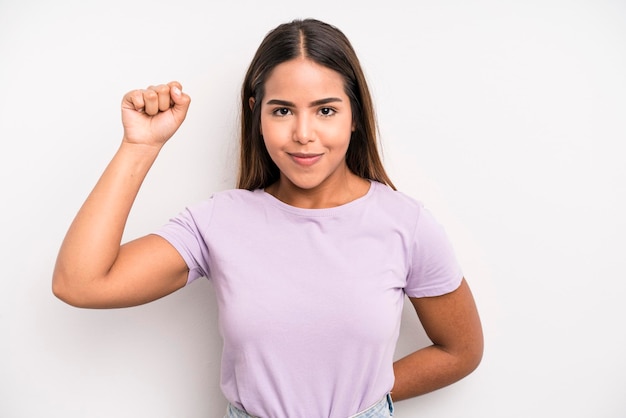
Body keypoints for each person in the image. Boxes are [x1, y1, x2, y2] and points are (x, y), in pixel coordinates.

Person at [53, 18, 483, 418]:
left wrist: (369, 400)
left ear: (354, 115)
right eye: (282, 111)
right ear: (257, 113)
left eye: (326, 110)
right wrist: (140, 145)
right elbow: (81, 283)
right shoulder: (218, 222)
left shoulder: (405, 225)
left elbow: (459, 350)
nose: (303, 133)